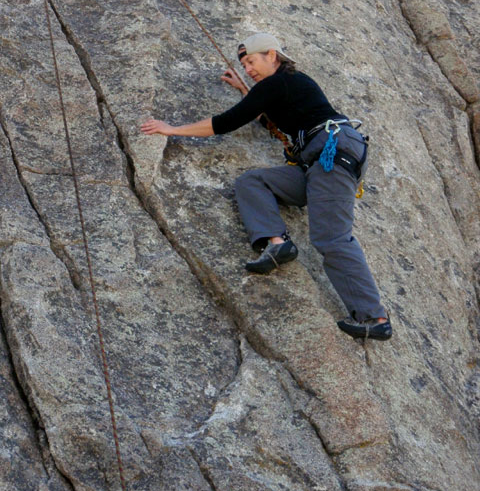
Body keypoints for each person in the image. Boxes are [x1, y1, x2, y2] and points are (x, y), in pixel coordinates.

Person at [141, 32, 391, 341]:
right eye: (244, 65)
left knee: (331, 238)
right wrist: (246, 90)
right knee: (252, 182)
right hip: (316, 166)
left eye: (251, 61)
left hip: (331, 154)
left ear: (272, 55)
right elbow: (268, 115)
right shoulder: (281, 88)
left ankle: (374, 317)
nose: (248, 69)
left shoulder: (283, 81)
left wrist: (172, 129)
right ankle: (277, 243)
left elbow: (230, 120)